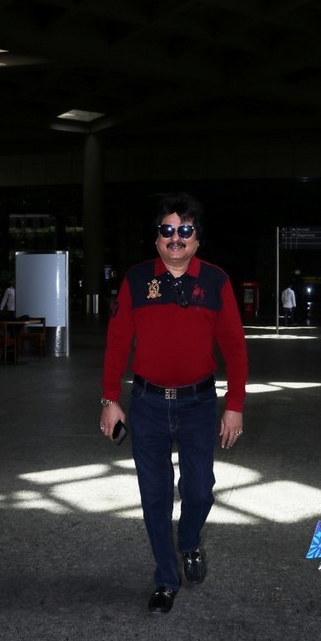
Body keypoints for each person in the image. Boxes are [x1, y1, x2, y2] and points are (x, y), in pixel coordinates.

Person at [100, 192, 248, 615]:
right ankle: (166, 578)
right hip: (146, 403)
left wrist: (234, 403)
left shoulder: (215, 281)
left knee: (199, 490)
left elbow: (235, 348)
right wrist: (111, 400)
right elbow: (116, 345)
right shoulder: (135, 280)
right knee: (154, 494)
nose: (176, 238)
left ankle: (188, 542)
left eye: (185, 231)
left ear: (197, 239)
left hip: (198, 404)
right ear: (157, 238)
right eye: (167, 231)